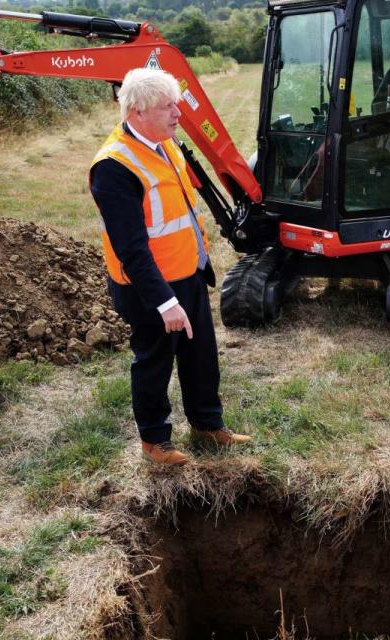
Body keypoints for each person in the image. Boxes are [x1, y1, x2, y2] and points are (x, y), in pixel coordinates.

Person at [89, 68, 251, 466]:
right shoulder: (113, 167)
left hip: (188, 274)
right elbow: (131, 248)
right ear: (138, 111)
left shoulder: (165, 143)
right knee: (154, 361)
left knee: (200, 356)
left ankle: (207, 425)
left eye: (176, 103)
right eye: (168, 106)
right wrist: (164, 302)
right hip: (150, 288)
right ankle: (155, 442)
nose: (178, 113)